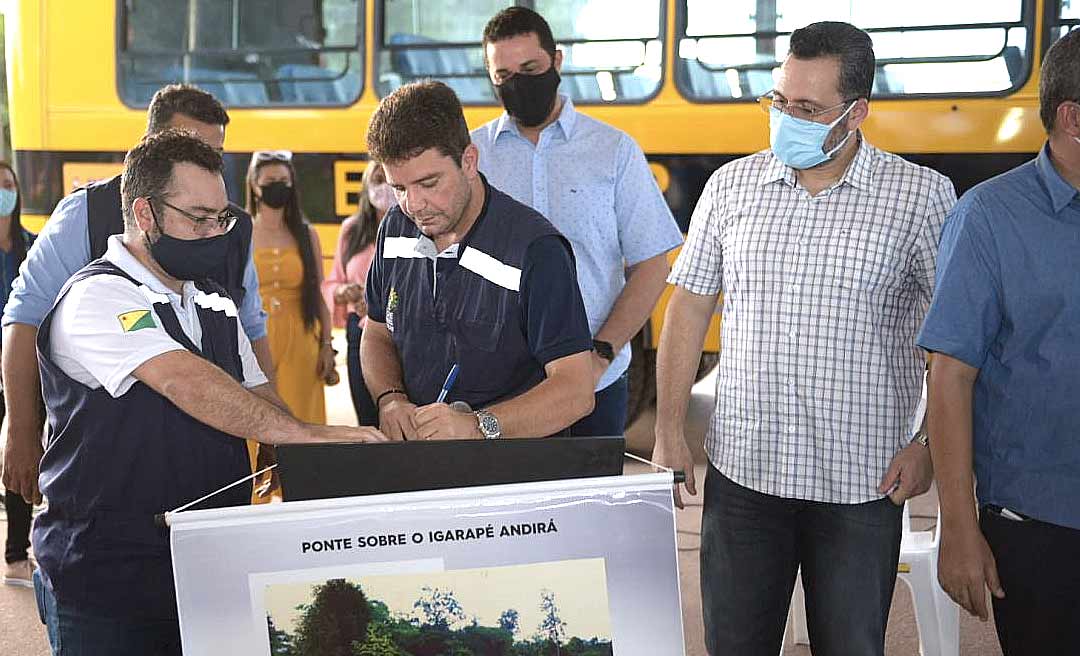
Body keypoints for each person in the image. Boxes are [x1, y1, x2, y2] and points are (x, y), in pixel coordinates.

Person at [652, 22, 957, 655]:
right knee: (735, 645)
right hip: (744, 476)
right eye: (780, 102)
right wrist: (668, 430)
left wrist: (926, 441)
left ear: (856, 113)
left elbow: (950, 342)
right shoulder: (732, 188)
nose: (787, 119)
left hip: (862, 484)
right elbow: (687, 309)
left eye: (809, 109)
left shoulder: (920, 198)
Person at [32, 129, 385, 655]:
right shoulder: (96, 297)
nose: (215, 234)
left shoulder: (215, 303)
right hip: (106, 581)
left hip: (204, 573)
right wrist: (307, 434)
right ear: (145, 214)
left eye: (221, 219)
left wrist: (326, 464)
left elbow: (260, 399)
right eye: (198, 219)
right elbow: (183, 380)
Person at [2, 84, 274, 509]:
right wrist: (20, 429)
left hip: (212, 471)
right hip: (106, 469)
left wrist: (274, 426)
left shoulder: (232, 227)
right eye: (188, 146)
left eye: (215, 153)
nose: (204, 162)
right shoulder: (86, 214)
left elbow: (251, 327)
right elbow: (26, 316)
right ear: (151, 145)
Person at [917, 29, 1080, 655]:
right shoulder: (988, 218)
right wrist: (957, 527)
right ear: (1072, 117)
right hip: (1042, 528)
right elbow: (951, 374)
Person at [472, 7, 682, 436]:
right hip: (499, 389)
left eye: (529, 68)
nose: (518, 83)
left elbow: (652, 263)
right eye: (504, 75)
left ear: (557, 62)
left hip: (596, 385)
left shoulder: (613, 150)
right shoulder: (472, 155)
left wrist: (600, 354)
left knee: (592, 502)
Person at [361, 80, 595, 441]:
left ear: (469, 161)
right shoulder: (394, 229)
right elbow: (376, 333)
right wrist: (390, 399)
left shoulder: (536, 249)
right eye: (400, 188)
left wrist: (477, 426)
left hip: (516, 480)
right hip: (422, 471)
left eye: (429, 182)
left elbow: (576, 391)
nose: (414, 205)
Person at [247, 151, 337, 425]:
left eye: (284, 180)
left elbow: (319, 295)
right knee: (258, 420)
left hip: (301, 340)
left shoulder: (306, 234)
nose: (278, 186)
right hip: (254, 340)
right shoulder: (241, 233)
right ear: (254, 184)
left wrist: (326, 345)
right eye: (270, 180)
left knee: (301, 419)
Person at [323, 161, 392, 426]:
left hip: (397, 332)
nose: (382, 187)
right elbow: (332, 282)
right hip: (358, 333)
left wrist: (377, 302)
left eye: (387, 179)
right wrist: (343, 292)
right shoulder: (352, 230)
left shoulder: (413, 228)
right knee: (366, 417)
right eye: (376, 179)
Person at [0, 162, 37, 587]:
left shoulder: (32, 246)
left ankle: (16, 553)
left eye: (8, 185)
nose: (4, 193)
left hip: (22, 370)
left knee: (21, 449)